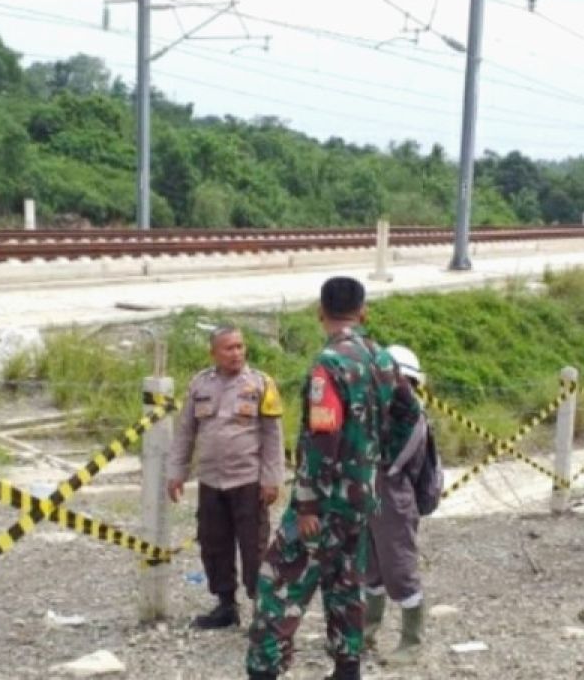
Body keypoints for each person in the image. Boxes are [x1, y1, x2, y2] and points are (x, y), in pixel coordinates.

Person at [246, 276, 415, 680]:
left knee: (278, 587)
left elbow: (324, 436)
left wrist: (306, 504)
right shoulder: (382, 358)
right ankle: (347, 667)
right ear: (363, 312)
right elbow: (410, 414)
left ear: (321, 312)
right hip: (360, 501)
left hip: (323, 503)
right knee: (344, 582)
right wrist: (378, 461)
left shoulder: (329, 365)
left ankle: (265, 670)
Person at [167, 325, 285, 629]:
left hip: (247, 481)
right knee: (213, 543)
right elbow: (185, 432)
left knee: (254, 547)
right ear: (214, 353)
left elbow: (273, 435)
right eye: (228, 348)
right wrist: (176, 472)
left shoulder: (261, 384)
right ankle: (225, 605)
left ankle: (262, 608)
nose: (236, 353)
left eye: (239, 347)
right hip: (211, 481)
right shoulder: (200, 385)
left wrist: (272, 479)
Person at [363, 343, 428, 665]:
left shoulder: (412, 415)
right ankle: (367, 629)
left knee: (399, 567)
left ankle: (411, 641)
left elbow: (394, 462)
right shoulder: (380, 410)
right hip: (371, 490)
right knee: (370, 566)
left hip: (392, 493)